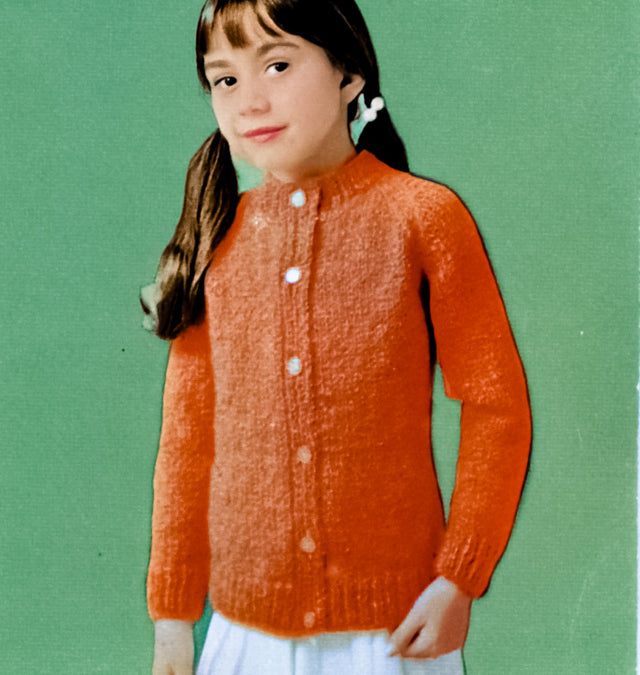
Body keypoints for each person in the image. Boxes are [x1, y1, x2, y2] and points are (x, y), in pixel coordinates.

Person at [141, 0, 532, 673]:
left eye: (277, 65)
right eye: (225, 79)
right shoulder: (217, 240)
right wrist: (173, 618)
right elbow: (186, 440)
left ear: (349, 75)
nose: (249, 100)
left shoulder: (423, 217)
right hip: (245, 637)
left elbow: (496, 406)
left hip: (395, 633)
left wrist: (459, 578)